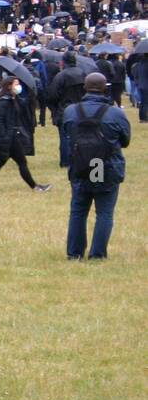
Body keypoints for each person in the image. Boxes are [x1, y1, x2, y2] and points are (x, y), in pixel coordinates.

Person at [63, 72, 131, 260]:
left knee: (78, 210)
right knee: (104, 212)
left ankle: (74, 253)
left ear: (85, 88)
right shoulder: (116, 113)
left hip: (81, 165)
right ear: (105, 89)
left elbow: (67, 133)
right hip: (104, 165)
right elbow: (125, 140)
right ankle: (97, 254)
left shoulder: (71, 111)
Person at [0, 74, 48, 192]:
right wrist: (4, 135)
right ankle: (34, 187)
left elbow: (23, 106)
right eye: (16, 84)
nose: (18, 86)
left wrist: (30, 94)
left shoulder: (13, 99)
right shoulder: (5, 101)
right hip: (9, 138)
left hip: (11, 136)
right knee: (21, 162)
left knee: (0, 163)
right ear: (9, 86)